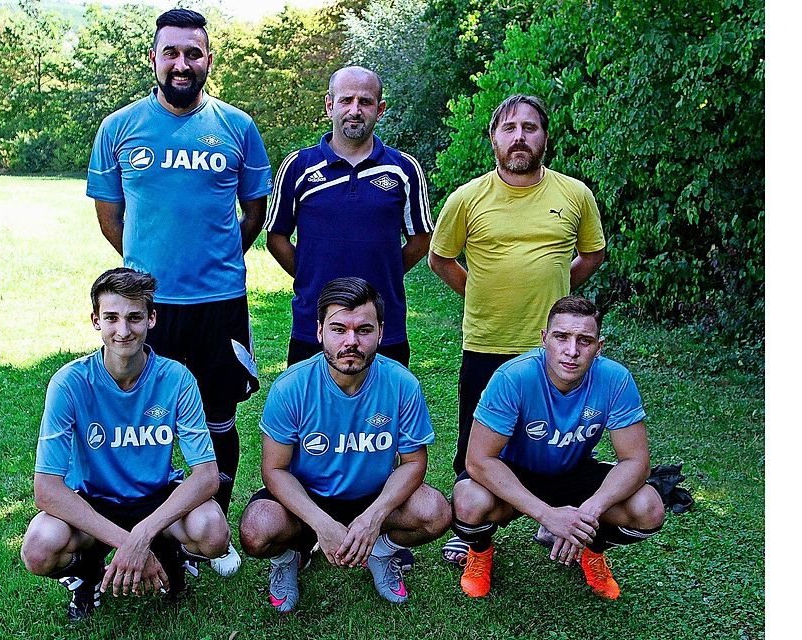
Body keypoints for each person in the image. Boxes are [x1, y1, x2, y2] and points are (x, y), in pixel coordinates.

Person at [86, 8, 273, 576]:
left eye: (193, 53)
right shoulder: (119, 127)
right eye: (171, 52)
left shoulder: (237, 126)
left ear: (208, 60)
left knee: (217, 415)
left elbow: (254, 212)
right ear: (154, 58)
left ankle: (211, 528)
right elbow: (111, 218)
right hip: (149, 308)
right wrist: (146, 274)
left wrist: (216, 259)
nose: (182, 63)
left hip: (219, 303)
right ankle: (155, 524)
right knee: (147, 416)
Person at [428, 94, 606, 563]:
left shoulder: (575, 194)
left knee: (557, 439)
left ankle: (556, 515)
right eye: (509, 128)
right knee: (476, 442)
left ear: (545, 136)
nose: (519, 137)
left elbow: (592, 254)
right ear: (493, 139)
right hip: (487, 342)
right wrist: (479, 292)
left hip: (555, 348)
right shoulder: (467, 198)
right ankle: (470, 529)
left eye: (530, 127)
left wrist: (558, 295)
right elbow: (440, 259)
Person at [20, 268, 231, 620]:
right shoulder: (69, 383)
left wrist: (143, 535)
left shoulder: (176, 378)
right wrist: (128, 544)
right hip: (93, 501)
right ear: (95, 321)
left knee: (213, 531)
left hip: (156, 498)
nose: (123, 330)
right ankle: (87, 576)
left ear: (151, 319)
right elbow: (46, 490)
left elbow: (207, 476)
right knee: (39, 548)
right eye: (111, 318)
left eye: (134, 317)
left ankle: (169, 558)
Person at [238, 278, 451, 613]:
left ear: (380, 333)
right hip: (307, 499)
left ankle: (380, 552)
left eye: (363, 330)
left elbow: (413, 462)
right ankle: (289, 558)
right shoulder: (290, 387)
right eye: (339, 329)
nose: (351, 341)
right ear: (319, 331)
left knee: (435, 512)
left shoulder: (402, 384)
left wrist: (373, 518)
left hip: (374, 496)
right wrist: (322, 524)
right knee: (257, 529)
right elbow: (275, 470)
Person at [450, 295, 665, 600]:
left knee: (649, 508)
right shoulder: (513, 377)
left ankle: (593, 550)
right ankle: (480, 552)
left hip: (574, 471)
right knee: (468, 499)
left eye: (584, 341)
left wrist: (588, 513)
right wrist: (547, 516)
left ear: (599, 347)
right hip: (516, 472)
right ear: (544, 339)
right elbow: (478, 460)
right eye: (561, 337)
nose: (572, 351)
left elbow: (636, 462)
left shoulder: (615, 379)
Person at [264, 66, 433, 368]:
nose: (355, 110)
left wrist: (386, 270)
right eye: (346, 100)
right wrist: (309, 273)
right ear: (330, 105)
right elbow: (276, 237)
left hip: (383, 328)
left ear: (380, 109)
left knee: (384, 400)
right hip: (313, 325)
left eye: (365, 102)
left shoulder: (404, 169)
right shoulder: (298, 166)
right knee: (311, 400)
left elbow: (421, 238)